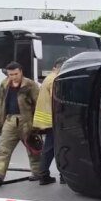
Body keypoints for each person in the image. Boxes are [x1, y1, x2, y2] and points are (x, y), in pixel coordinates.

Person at [0, 62, 41, 185]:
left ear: (21, 71)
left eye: (15, 74)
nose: (13, 77)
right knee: (3, 149)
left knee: (33, 149)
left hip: (26, 121)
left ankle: (38, 173)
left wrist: (37, 124)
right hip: (10, 121)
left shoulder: (30, 85)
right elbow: (0, 103)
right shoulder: (4, 84)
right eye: (10, 74)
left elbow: (38, 105)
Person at [32, 57, 67, 185]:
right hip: (54, 119)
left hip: (48, 119)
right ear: (60, 67)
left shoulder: (49, 77)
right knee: (59, 148)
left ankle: (44, 174)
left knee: (51, 148)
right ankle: (61, 175)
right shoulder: (55, 80)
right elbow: (57, 100)